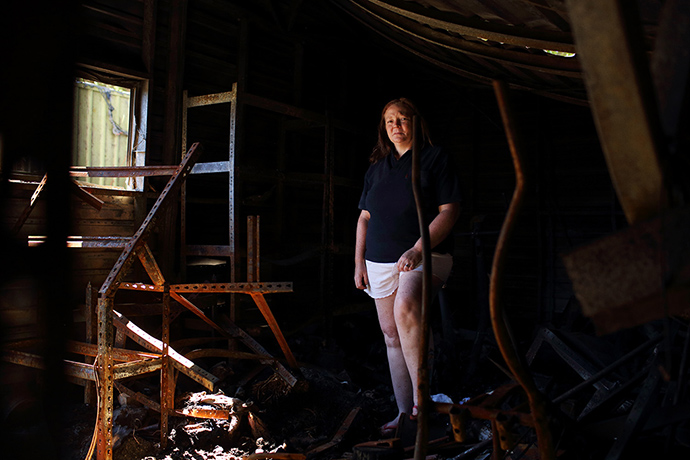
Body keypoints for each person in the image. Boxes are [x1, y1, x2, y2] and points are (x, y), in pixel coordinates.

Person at [354, 98, 461, 436]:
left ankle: (422, 401)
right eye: (389, 121)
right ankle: (404, 414)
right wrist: (359, 262)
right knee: (390, 335)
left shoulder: (435, 158)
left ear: (416, 122)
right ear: (384, 129)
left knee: (407, 309)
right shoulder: (377, 169)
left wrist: (418, 248)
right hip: (378, 261)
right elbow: (364, 218)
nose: (396, 125)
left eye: (402, 118)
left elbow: (449, 211)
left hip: (426, 255)